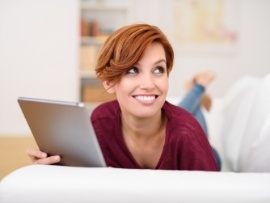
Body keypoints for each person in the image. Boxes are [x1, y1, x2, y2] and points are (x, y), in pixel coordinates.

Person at [27, 23, 218, 171]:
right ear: (109, 82)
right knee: (185, 111)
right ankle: (196, 93)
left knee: (189, 118)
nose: (149, 84)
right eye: (133, 70)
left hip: (207, 153)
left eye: (158, 69)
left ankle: (198, 89)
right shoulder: (101, 122)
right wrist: (54, 171)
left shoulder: (188, 135)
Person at [178, 71, 222, 170]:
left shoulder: (205, 112)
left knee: (177, 116)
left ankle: (198, 88)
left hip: (207, 155)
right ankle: (199, 88)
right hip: (183, 151)